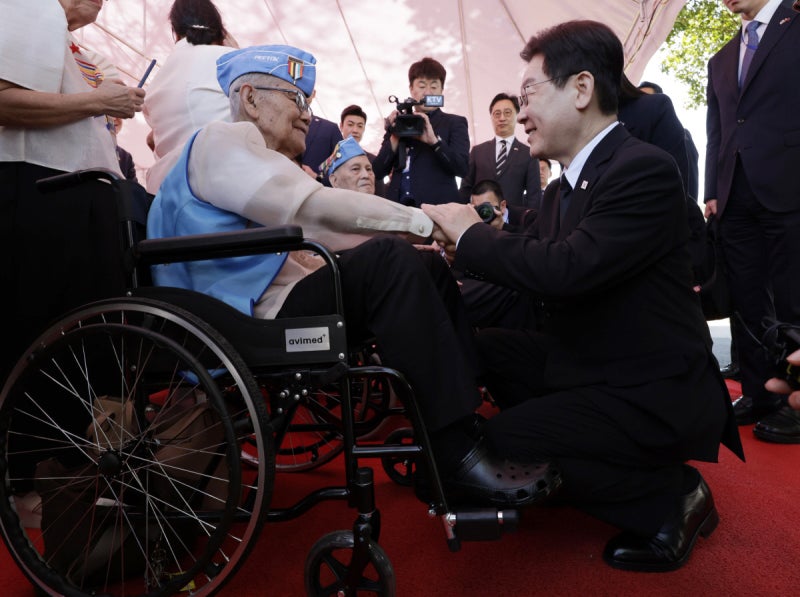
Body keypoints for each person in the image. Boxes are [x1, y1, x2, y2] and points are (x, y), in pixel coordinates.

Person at [146, 44, 560, 508]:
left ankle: (460, 429)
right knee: (391, 261)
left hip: (263, 303)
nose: (307, 114)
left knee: (417, 261)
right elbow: (317, 213)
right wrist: (425, 221)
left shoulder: (249, 156)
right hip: (242, 319)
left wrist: (426, 237)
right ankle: (451, 451)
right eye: (296, 99)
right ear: (250, 97)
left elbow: (324, 231)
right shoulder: (221, 140)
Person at [423, 20, 742, 572]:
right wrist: (456, 246)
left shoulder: (642, 169)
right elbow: (533, 254)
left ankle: (671, 497)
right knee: (488, 350)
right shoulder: (564, 187)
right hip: (594, 361)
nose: (519, 114)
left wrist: (472, 236)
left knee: (501, 450)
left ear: (581, 89)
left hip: (650, 387)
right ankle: (577, 445)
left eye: (528, 94)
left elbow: (567, 268)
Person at [0, 0, 145, 377]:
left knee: (81, 342)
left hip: (81, 190)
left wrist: (107, 99)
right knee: (50, 342)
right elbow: (4, 100)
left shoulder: (73, 42)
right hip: (47, 187)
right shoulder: (31, 7)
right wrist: (98, 99)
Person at [705, 0, 800, 441]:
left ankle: (797, 401)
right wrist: (711, 191)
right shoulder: (720, 58)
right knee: (745, 300)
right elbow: (717, 131)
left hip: (789, 183)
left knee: (792, 296)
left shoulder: (795, 22)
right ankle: (760, 391)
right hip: (733, 195)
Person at [143, 0, 237, 194]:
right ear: (221, 30)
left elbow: (154, 140)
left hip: (170, 193)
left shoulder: (155, 84)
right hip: (228, 185)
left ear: (175, 30)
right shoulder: (233, 62)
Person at [373, 56, 470, 207]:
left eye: (434, 86)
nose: (427, 92)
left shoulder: (455, 122)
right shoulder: (398, 121)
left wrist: (435, 142)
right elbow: (378, 171)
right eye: (421, 85)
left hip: (437, 210)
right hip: (397, 209)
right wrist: (393, 137)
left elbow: (462, 169)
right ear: (411, 89)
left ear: (441, 91)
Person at [459, 93, 541, 210]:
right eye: (497, 114)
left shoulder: (529, 154)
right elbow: (465, 189)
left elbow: (534, 195)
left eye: (507, 113)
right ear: (491, 117)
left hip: (513, 223)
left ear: (517, 116)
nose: (502, 118)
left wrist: (530, 223)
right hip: (480, 219)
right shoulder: (477, 151)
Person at [339, 104, 385, 196]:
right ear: (341, 126)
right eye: (350, 125)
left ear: (364, 129)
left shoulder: (372, 161)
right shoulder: (330, 155)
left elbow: (380, 196)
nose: (355, 130)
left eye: (360, 126)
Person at [300, 97, 342, 185]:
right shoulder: (271, 125)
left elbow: (343, 173)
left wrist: (316, 177)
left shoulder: (330, 129)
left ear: (313, 93)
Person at [111, 116, 138, 181]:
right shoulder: (86, 151)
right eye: (108, 114)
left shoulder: (126, 157)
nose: (114, 118)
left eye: (118, 114)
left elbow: (133, 189)